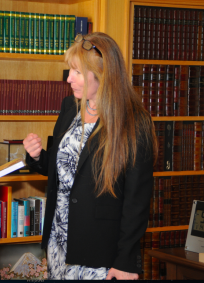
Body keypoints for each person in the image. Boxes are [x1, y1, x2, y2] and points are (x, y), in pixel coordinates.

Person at [23, 32, 157, 280]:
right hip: (59, 240)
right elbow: (62, 167)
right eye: (69, 70)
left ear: (104, 74)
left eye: (77, 72)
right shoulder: (69, 106)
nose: (69, 79)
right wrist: (37, 156)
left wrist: (126, 262)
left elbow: (137, 201)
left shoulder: (134, 121)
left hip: (100, 253)